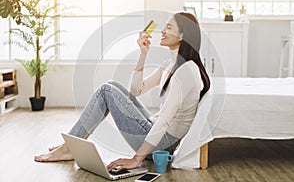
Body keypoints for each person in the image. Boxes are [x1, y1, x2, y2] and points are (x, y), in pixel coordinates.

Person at [34, 12, 210, 172]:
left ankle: (69, 146)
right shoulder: (170, 65)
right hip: (157, 135)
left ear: (182, 36)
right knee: (112, 85)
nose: (162, 31)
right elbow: (136, 90)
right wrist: (143, 53)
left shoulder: (186, 70)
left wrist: (136, 159)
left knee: (106, 91)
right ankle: (70, 144)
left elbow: (164, 121)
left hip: (162, 145)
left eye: (169, 27)